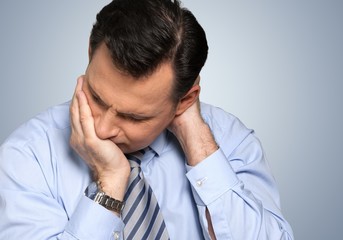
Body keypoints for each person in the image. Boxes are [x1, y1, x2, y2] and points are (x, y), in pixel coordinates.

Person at [0, 0, 294, 239]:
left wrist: (197, 142)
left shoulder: (229, 141)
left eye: (133, 117)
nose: (101, 129)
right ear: (90, 50)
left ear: (186, 100)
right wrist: (110, 184)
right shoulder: (28, 155)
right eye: (96, 97)